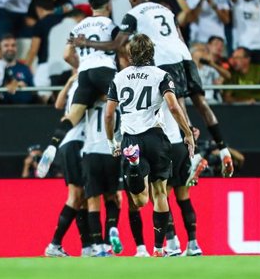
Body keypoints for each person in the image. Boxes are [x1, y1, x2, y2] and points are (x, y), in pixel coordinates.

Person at [79, 0, 235, 179]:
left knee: (177, 105)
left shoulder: (133, 14)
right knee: (201, 103)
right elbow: (179, 36)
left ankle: (193, 158)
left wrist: (86, 42)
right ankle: (224, 150)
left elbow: (115, 44)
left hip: (165, 60)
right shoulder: (165, 10)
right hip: (184, 55)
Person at [104, 34, 194, 257]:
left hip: (130, 139)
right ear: (152, 52)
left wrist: (111, 141)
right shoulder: (162, 75)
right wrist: (187, 133)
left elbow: (108, 115)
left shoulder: (119, 77)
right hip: (155, 137)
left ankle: (134, 165)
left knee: (139, 200)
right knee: (160, 193)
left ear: (129, 54)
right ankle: (158, 247)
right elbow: (173, 107)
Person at [36, 0, 118, 178]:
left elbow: (66, 55)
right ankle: (125, 144)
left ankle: (52, 145)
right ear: (108, 6)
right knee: (125, 102)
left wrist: (80, 67)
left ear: (91, 7)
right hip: (105, 69)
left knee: (73, 115)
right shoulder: (110, 25)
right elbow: (120, 48)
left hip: (84, 73)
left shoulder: (78, 27)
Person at [43, 74, 90, 258]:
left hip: (72, 141)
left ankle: (87, 246)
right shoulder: (91, 82)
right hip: (76, 141)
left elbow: (58, 105)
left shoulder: (77, 82)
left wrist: (70, 81)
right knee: (76, 196)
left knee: (83, 197)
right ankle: (54, 244)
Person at [81, 94, 124, 257]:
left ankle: (97, 246)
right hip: (113, 152)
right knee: (114, 198)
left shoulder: (90, 99)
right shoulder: (122, 101)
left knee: (93, 202)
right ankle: (108, 240)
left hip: (92, 151)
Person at [158, 103, 202, 257]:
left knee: (162, 196)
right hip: (180, 145)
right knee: (184, 197)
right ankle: (193, 244)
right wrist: (189, 130)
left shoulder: (151, 87)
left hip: (164, 146)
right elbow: (179, 107)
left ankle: (171, 244)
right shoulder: (171, 90)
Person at [0, 35, 35, 105]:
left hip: (25, 110)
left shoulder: (25, 68)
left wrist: (23, 87)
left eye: (13, 45)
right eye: (6, 46)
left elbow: (34, 91)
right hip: (0, 110)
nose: (10, 48)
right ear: (0, 48)